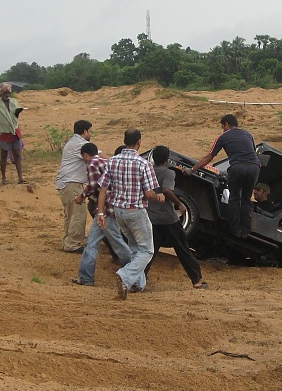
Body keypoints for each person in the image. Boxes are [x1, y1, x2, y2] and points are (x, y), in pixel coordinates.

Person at [96, 128, 164, 300]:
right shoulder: (144, 164)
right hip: (136, 210)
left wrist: (101, 213)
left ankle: (137, 284)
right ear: (139, 142)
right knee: (147, 250)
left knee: (135, 248)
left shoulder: (113, 161)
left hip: (118, 211)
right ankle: (125, 275)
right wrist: (159, 197)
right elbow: (149, 194)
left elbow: (103, 189)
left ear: (124, 140)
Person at [146, 146, 207, 289]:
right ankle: (196, 281)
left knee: (149, 251)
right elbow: (167, 190)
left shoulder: (148, 171)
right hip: (168, 218)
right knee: (182, 249)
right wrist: (179, 204)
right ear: (167, 160)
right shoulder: (168, 173)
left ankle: (138, 279)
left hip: (151, 217)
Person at [71, 143, 132, 286]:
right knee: (92, 242)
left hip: (105, 210)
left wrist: (81, 196)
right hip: (113, 207)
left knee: (117, 243)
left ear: (86, 155)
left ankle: (136, 271)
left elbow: (94, 186)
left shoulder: (92, 164)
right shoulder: (106, 161)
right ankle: (86, 277)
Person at [189, 114, 259, 238]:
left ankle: (235, 230)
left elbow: (209, 157)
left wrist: (192, 170)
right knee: (247, 198)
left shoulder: (223, 136)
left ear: (226, 124)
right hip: (254, 167)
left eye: (223, 127)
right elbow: (253, 153)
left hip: (237, 168)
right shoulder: (248, 134)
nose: (223, 129)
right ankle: (246, 230)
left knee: (235, 198)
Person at [55, 120, 92, 253]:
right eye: (90, 131)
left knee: (70, 215)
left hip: (65, 183)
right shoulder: (81, 144)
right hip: (72, 183)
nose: (91, 134)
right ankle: (73, 244)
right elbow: (97, 156)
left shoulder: (72, 142)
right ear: (85, 132)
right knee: (78, 213)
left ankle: (68, 241)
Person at [0, 83, 26, 185]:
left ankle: (20, 178)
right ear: (0, 93)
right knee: (3, 155)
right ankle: (4, 178)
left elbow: (15, 115)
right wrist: (0, 127)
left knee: (17, 154)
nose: (7, 94)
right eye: (5, 92)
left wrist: (17, 113)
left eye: (8, 92)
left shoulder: (14, 102)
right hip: (3, 133)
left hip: (14, 131)